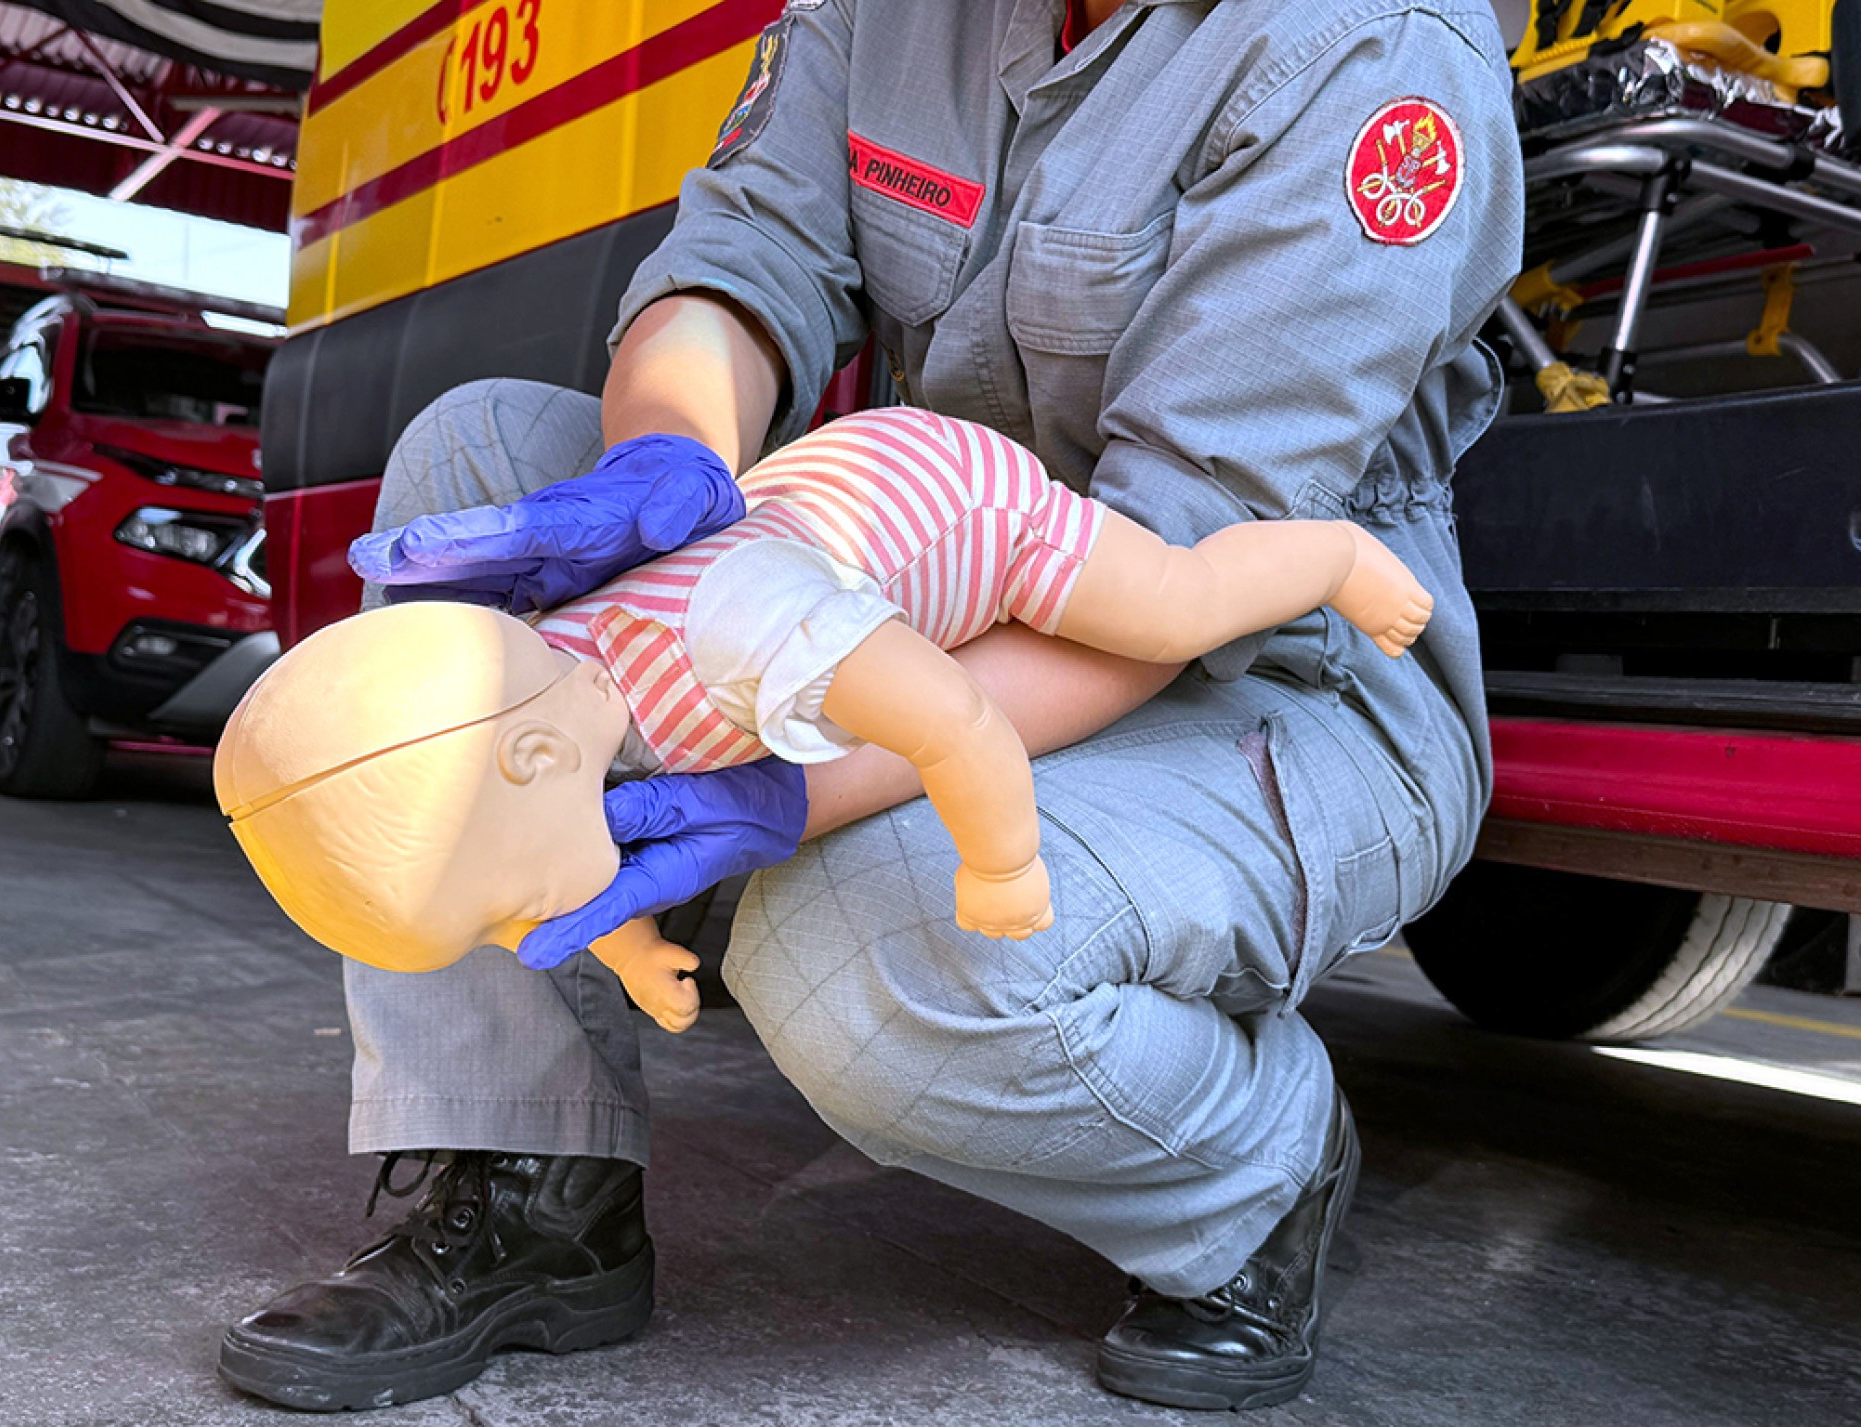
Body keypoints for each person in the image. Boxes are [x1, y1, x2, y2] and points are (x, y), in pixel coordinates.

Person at [220, 0, 1522, 1414]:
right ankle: (539, 1189)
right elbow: (741, 257)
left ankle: (1253, 1168)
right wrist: (670, 470)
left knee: (861, 952)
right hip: (929, 571)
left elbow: (1172, 573)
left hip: (1262, 658)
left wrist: (789, 791)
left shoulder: (1367, 48)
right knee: (474, 454)